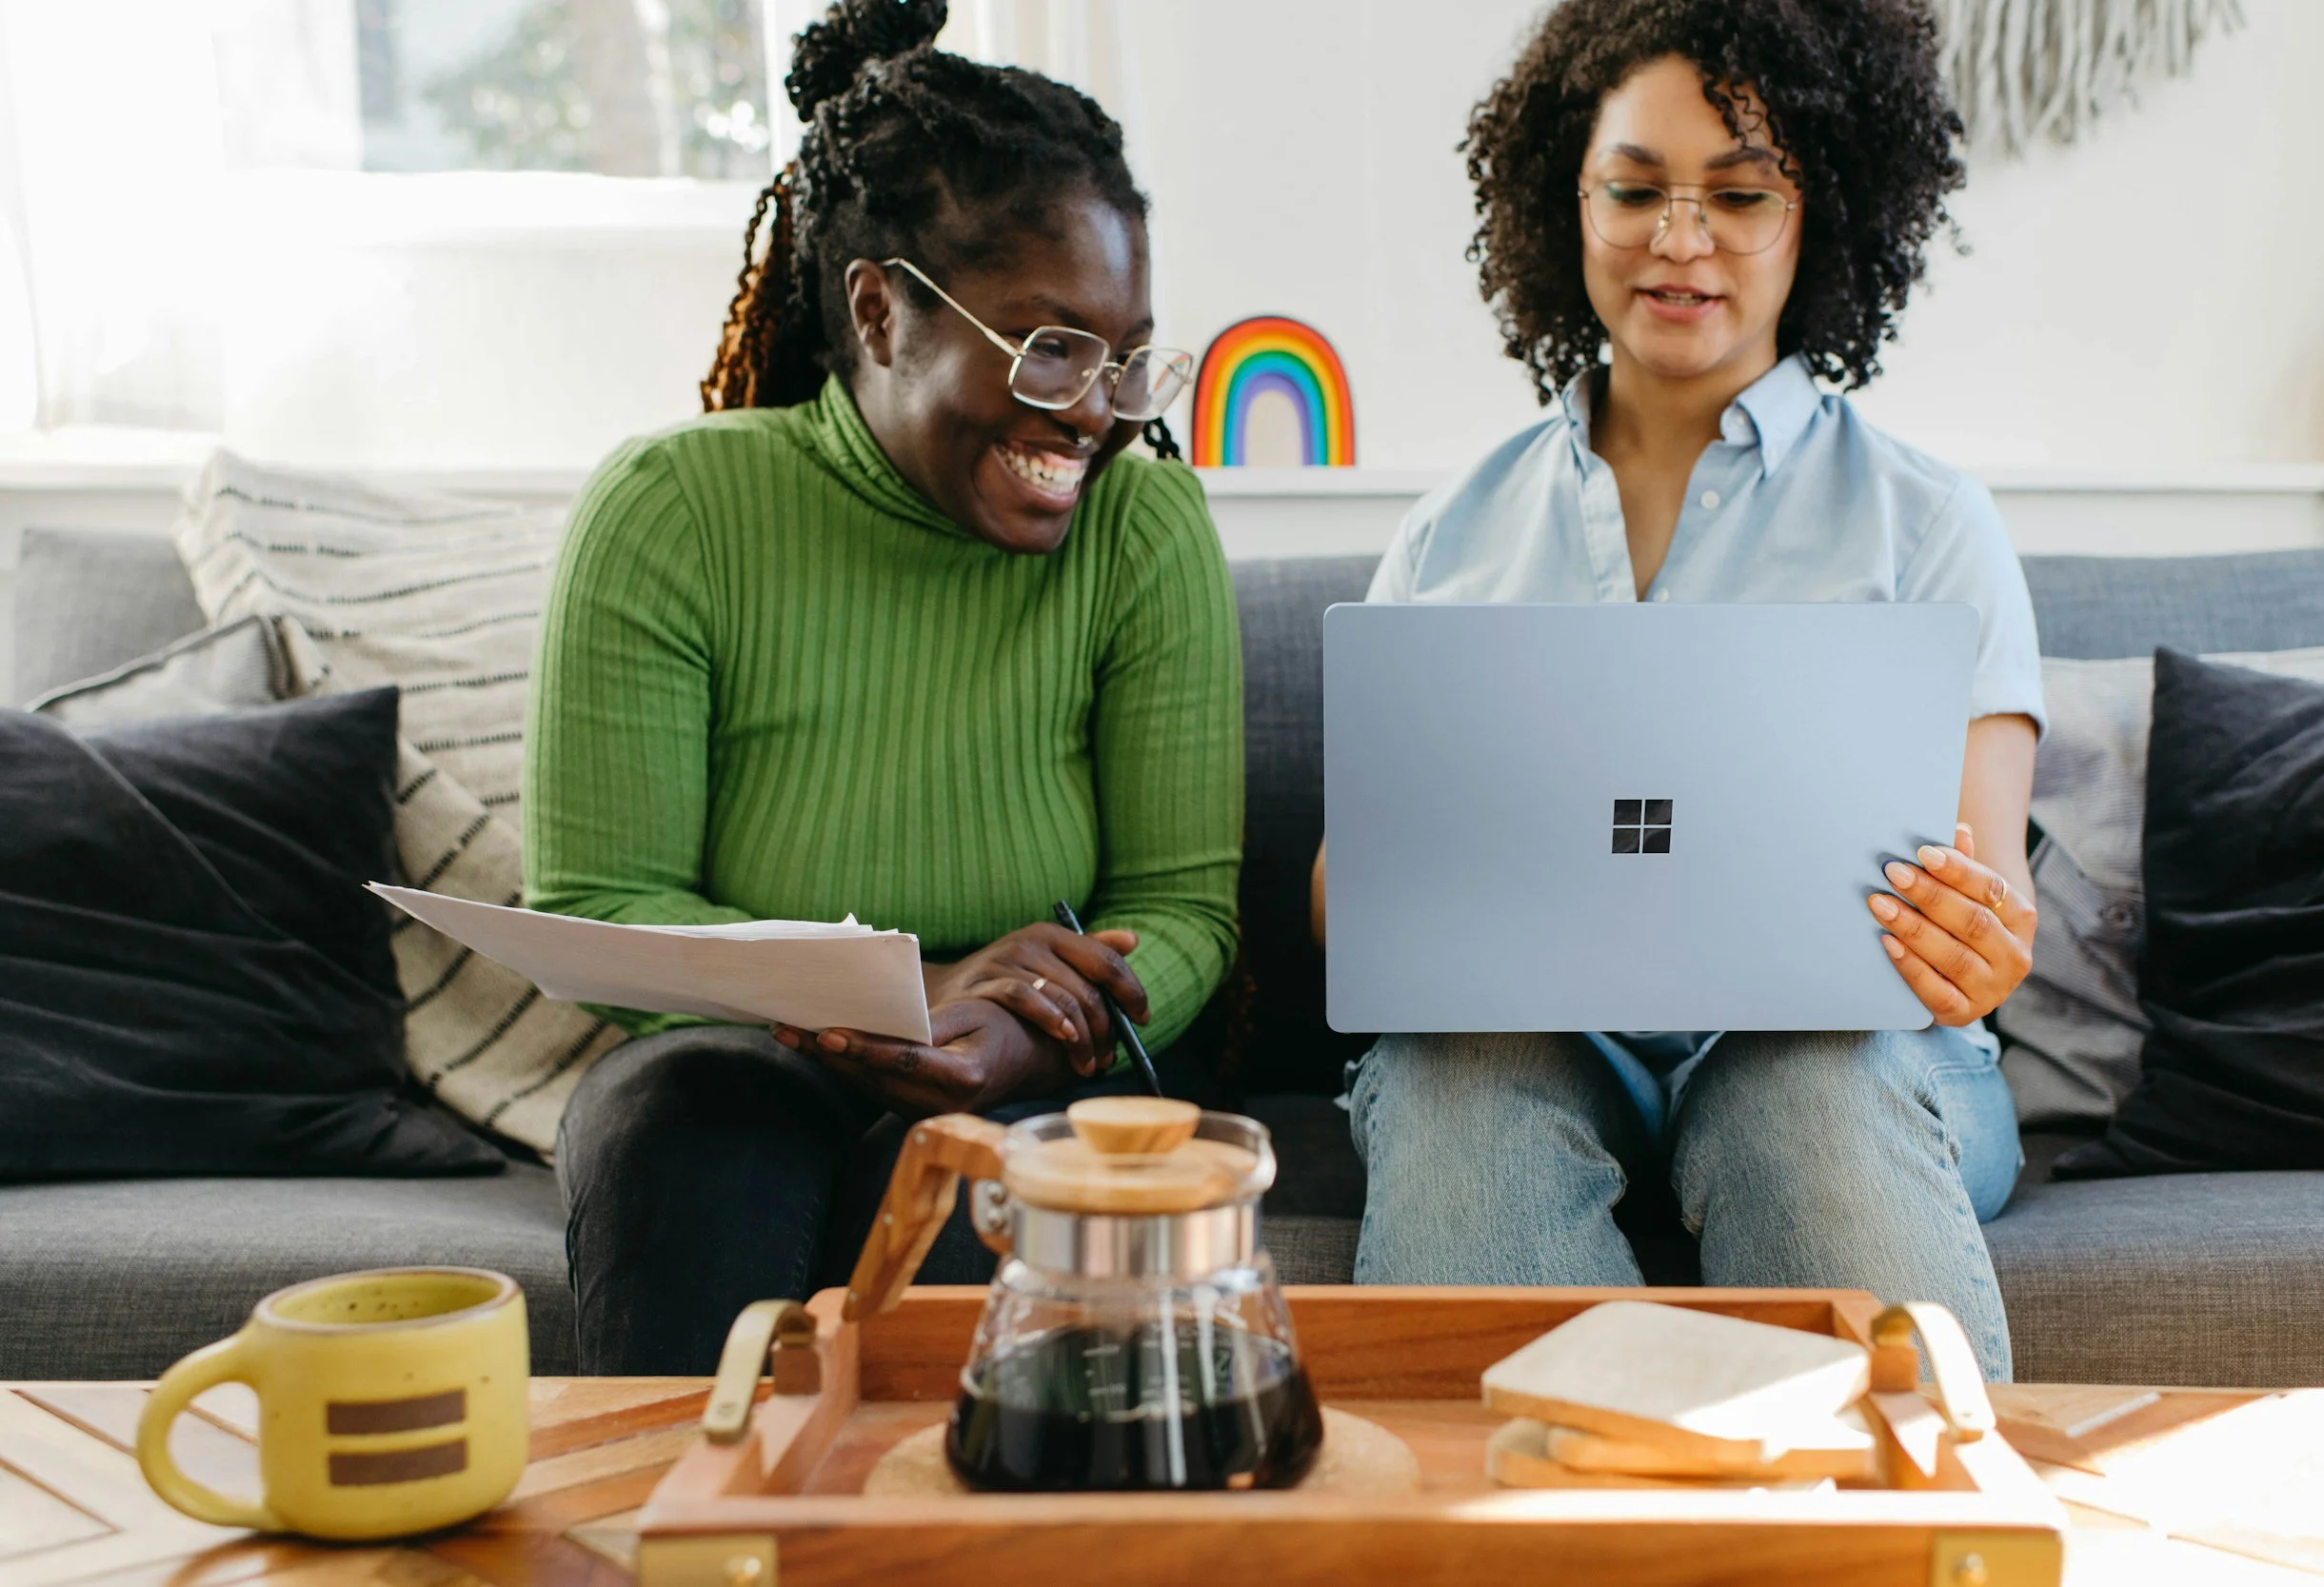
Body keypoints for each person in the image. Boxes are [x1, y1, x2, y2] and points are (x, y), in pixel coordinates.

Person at [1311, 0, 2043, 1378]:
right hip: (1526, 1051)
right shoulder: (1452, 531)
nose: (1680, 239)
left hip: (1847, 1056)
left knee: (1804, 1082)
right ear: (1568, 201)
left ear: (1819, 215)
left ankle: (1908, 1499)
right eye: (1636, 189)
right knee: (1451, 1080)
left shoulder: (1931, 521)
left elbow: (1986, 893)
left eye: (1741, 195)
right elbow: (1347, 907)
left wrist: (1978, 941)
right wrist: (1400, 898)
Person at [524, 0, 1241, 1375]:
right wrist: (907, 988)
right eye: (1049, 346)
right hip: (739, 1053)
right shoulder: (672, 509)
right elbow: (599, 904)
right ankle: (682, 1498)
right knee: (680, 1131)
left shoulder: (1145, 529)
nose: (1097, 410)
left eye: (1123, 355)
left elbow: (1183, 909)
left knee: (987, 1193)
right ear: (878, 312)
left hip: (1040, 1064)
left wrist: (1026, 1031)